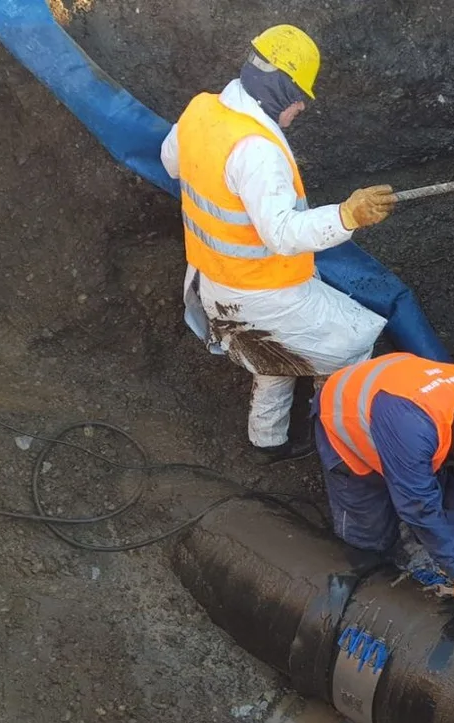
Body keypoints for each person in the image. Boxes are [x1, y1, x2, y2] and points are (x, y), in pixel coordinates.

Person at [160, 24, 399, 463]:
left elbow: (170, 161)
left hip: (212, 284)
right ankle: (339, 441)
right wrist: (347, 216)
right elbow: (283, 233)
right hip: (260, 292)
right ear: (280, 88)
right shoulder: (258, 151)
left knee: (274, 352)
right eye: (299, 97)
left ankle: (267, 442)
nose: (302, 106)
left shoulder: (201, 111)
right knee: (352, 344)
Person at [317, 352, 454, 608]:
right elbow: (418, 505)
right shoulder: (412, 430)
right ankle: (359, 596)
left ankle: (435, 550)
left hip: (395, 401)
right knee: (368, 535)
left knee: (433, 493)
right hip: (346, 418)